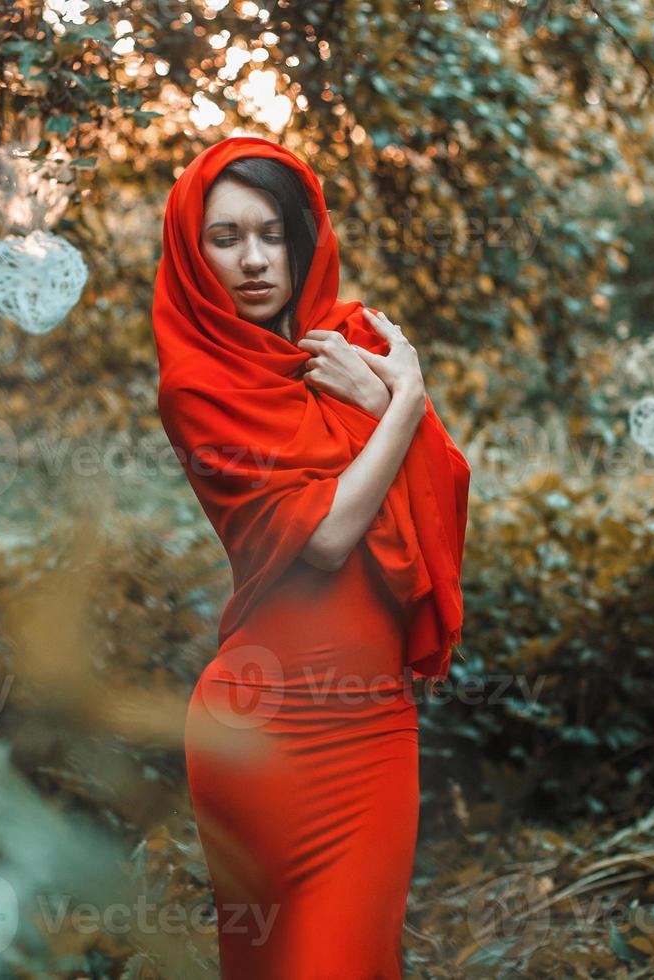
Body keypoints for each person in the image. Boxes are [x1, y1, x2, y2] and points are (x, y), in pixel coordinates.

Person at [152, 135, 470, 978]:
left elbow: (445, 486)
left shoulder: (352, 341)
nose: (253, 260)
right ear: (193, 254)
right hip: (262, 732)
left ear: (304, 237)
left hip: (373, 724)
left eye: (272, 234)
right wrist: (402, 399)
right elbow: (327, 538)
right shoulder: (199, 384)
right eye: (225, 239)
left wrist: (378, 395)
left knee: (358, 959)